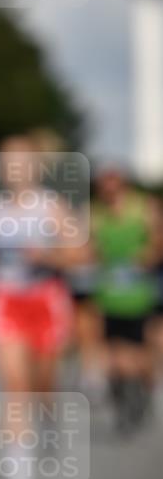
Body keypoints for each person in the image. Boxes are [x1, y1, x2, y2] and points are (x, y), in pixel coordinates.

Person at [0, 135, 76, 479]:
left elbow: (80, 255)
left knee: (43, 388)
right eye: (6, 162)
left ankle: (45, 423)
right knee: (15, 387)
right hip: (5, 301)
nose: (13, 169)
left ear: (36, 166)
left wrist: (50, 255)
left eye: (21, 161)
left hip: (45, 301)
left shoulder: (52, 207)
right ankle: (19, 478)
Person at [91, 166, 161, 432]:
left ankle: (145, 388)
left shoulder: (144, 208)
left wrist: (147, 255)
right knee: (114, 357)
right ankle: (122, 401)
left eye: (114, 186)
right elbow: (89, 247)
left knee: (139, 354)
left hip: (140, 292)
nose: (109, 192)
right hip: (109, 292)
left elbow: (157, 241)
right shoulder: (96, 213)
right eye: (104, 187)